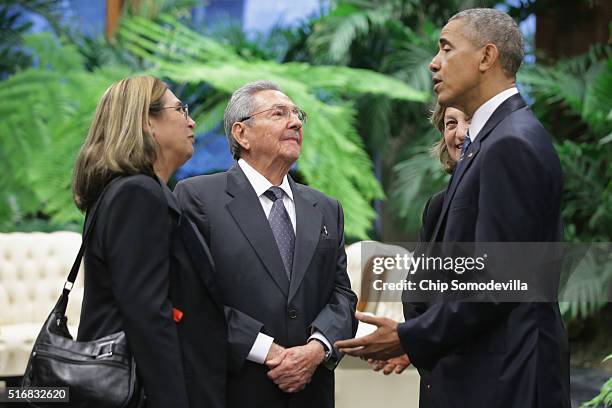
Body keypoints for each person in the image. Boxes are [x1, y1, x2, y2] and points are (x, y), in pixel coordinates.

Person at [336, 8, 570, 408]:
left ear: (486, 57)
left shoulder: (510, 143)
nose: (433, 62)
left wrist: (410, 335)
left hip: (504, 383)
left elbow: (498, 283)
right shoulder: (490, 140)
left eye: (446, 48)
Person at [175, 80, 357, 408]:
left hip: (311, 390)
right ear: (241, 133)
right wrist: (268, 352)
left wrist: (315, 350)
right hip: (234, 388)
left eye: (297, 114)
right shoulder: (198, 197)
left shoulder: (326, 207)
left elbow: (342, 294)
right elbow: (192, 297)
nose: (296, 122)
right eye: (279, 113)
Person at [72, 75, 227, 408]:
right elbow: (147, 314)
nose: (192, 120)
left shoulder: (125, 190)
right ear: (146, 122)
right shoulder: (138, 193)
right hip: (142, 390)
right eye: (180, 109)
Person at [369, 104, 470, 377]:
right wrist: (415, 343)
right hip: (440, 370)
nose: (459, 134)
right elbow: (418, 288)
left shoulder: (499, 193)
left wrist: (416, 338)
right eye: (450, 124)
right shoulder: (437, 206)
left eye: (469, 120)